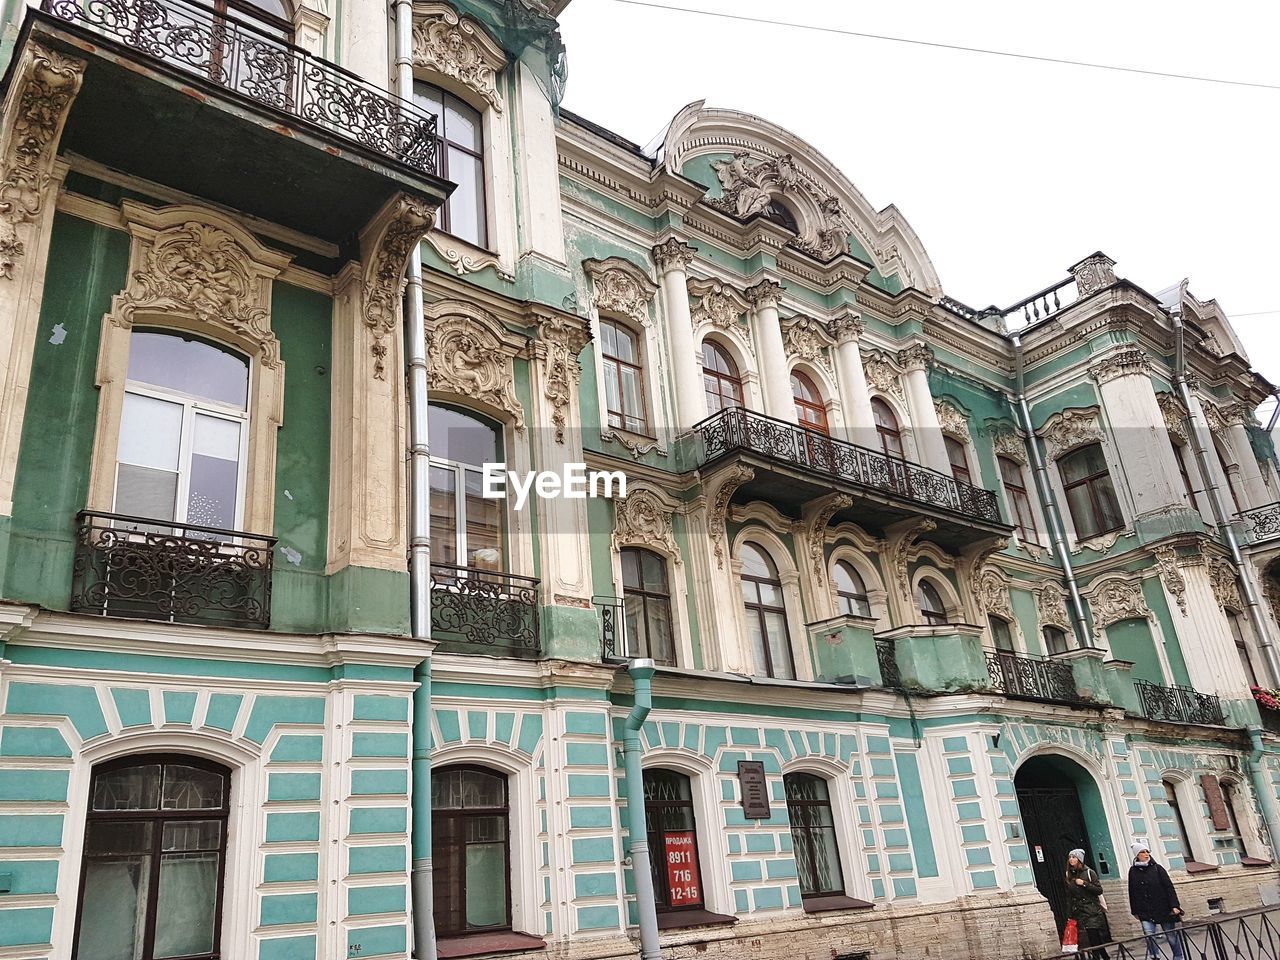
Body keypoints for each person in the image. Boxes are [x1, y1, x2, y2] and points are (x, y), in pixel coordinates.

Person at [1127, 841, 1185, 960]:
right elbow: (1132, 892)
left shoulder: (1157, 868)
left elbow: (1169, 887)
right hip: (1145, 910)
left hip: (1164, 908)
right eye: (1142, 852)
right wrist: (1135, 911)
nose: (1146, 854)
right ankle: (1155, 957)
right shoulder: (1133, 871)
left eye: (1147, 851)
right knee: (1149, 936)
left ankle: (1178, 957)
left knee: (1171, 936)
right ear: (1137, 855)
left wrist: (1175, 905)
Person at [1065, 848, 1111, 959]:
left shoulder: (1089, 872)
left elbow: (1099, 890)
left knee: (1093, 937)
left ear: (1079, 859)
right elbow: (1070, 896)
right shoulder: (1069, 874)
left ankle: (1097, 957)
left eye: (1074, 857)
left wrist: (1084, 883)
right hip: (1079, 912)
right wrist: (1070, 914)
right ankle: (1105, 957)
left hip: (1091, 910)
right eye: (1070, 857)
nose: (1071, 859)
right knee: (1091, 939)